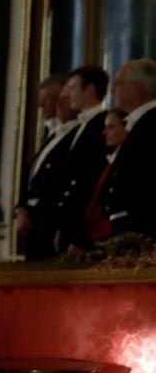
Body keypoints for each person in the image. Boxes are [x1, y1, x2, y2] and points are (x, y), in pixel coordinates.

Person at [47, 66, 110, 251]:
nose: (67, 94)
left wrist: (77, 233)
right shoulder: (81, 125)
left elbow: (89, 181)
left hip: (82, 224)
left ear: (89, 89)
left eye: (73, 88)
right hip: (69, 221)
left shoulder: (101, 124)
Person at [98, 58, 156, 238]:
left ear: (135, 88)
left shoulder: (151, 122)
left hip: (141, 232)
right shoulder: (139, 122)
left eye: (117, 84)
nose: (113, 90)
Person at [17, 88, 78, 259]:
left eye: (63, 99)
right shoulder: (54, 134)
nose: (42, 105)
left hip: (51, 219)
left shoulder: (75, 134)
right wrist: (23, 207)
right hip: (35, 218)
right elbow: (34, 173)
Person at [84, 108, 128, 242]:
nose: (104, 133)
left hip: (116, 231)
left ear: (126, 128)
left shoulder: (126, 161)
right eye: (105, 128)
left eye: (111, 127)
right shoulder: (110, 160)